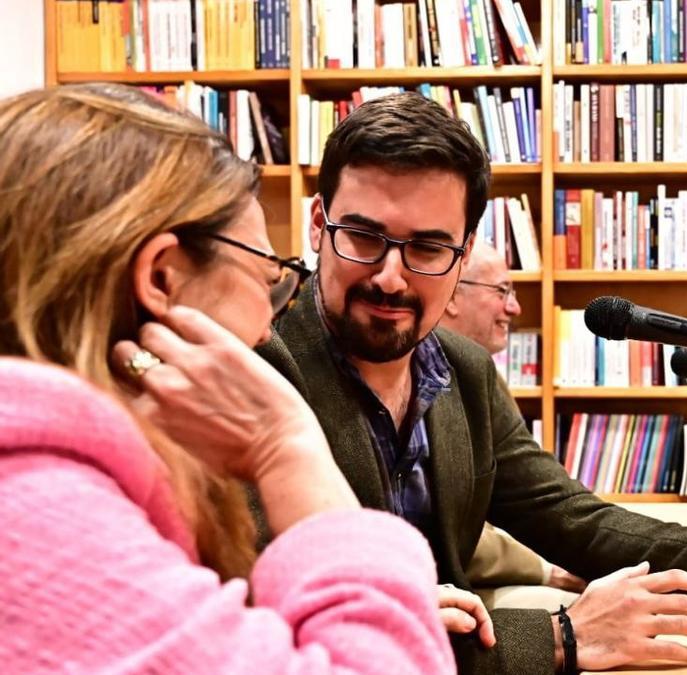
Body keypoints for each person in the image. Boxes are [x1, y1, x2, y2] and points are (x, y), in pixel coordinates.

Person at [259, 92, 687, 674]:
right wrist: (562, 636)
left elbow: (580, 524)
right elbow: (277, 624)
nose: (392, 277)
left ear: (463, 253)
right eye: (362, 236)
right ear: (318, 223)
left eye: (428, 248)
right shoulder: (257, 373)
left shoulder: (461, 370)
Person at [0, 83, 458, 672]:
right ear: (162, 280)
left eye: (426, 248)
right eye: (269, 277)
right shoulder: (39, 518)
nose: (268, 329)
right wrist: (286, 447)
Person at [442, 243, 585, 598]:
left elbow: (534, 497)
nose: (515, 307)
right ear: (450, 296)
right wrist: (544, 569)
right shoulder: (424, 379)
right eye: (502, 291)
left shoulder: (480, 374)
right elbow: (451, 532)